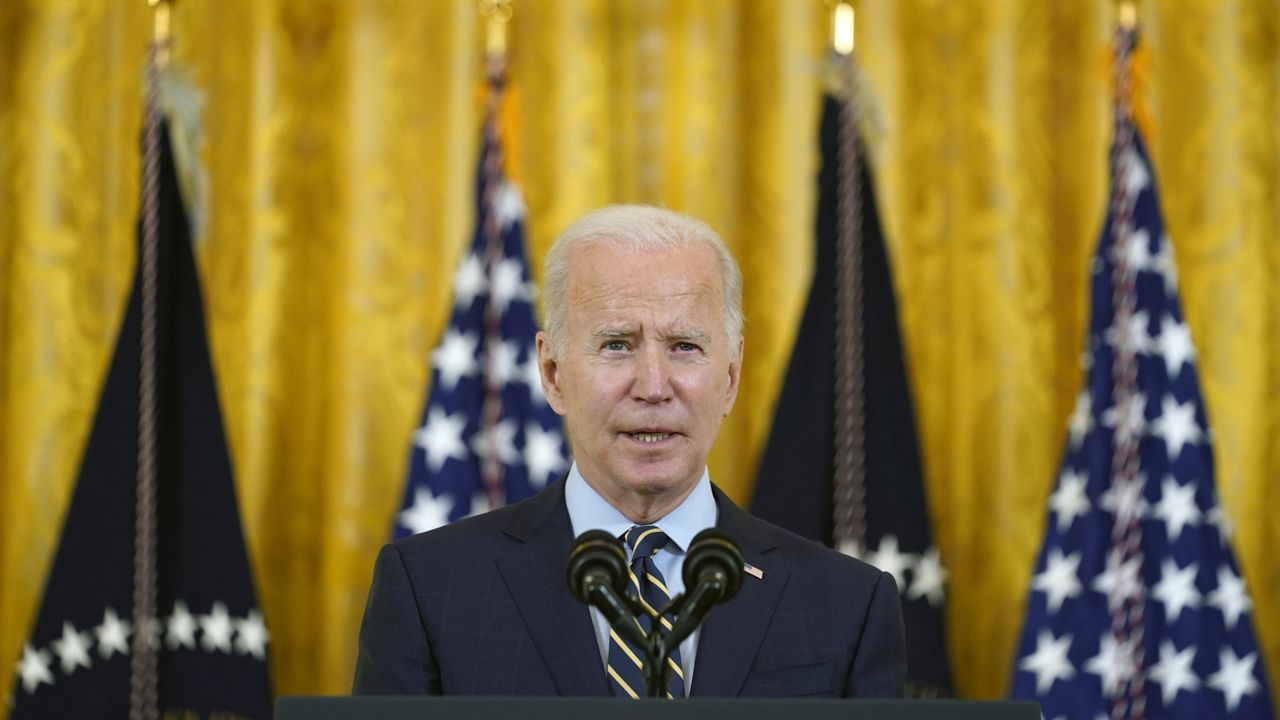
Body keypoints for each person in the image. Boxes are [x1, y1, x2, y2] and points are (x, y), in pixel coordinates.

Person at [353, 205, 905, 698]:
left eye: (684, 347)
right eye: (617, 345)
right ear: (552, 373)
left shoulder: (848, 604)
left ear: (731, 376)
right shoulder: (429, 589)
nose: (654, 386)